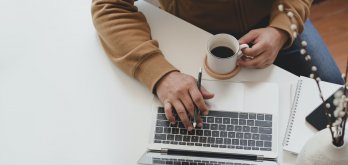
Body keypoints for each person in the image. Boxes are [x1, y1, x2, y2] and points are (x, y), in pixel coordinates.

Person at [91, 0, 343, 131]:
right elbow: (109, 6)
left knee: (335, 96)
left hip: (275, 20)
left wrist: (280, 29)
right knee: (204, 129)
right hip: (192, 32)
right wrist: (160, 74)